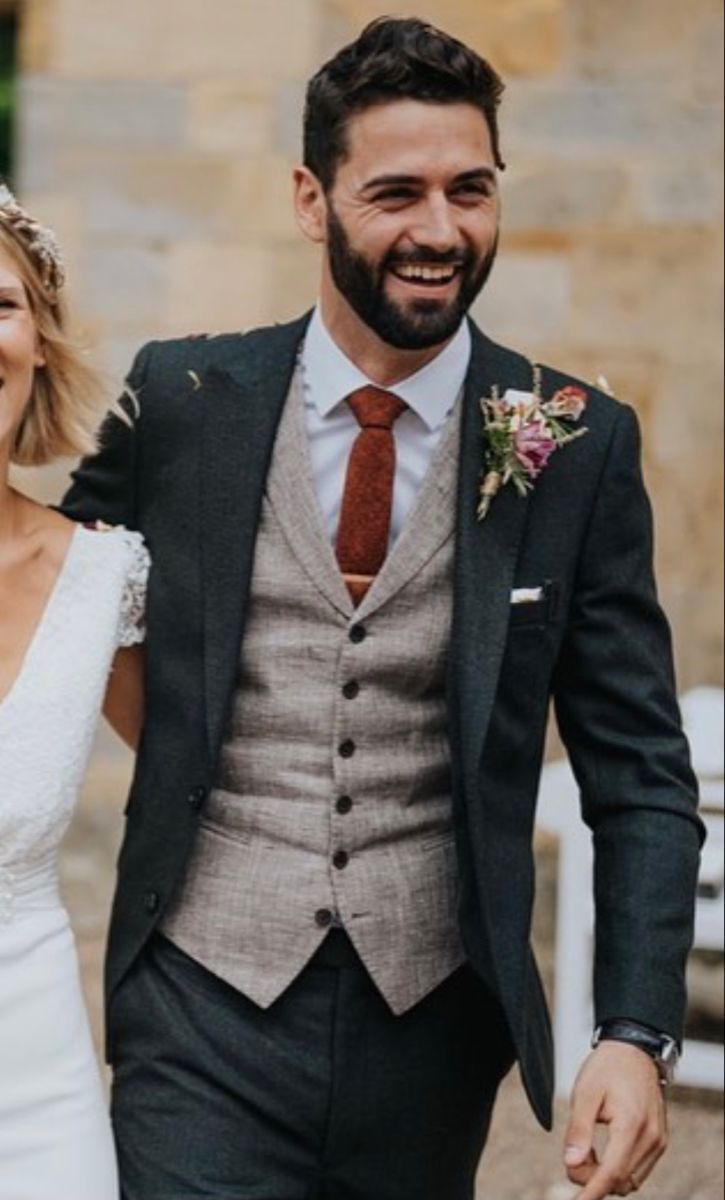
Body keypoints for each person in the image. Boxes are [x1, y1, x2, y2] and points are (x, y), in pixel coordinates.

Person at [63, 18, 703, 1200]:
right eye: (395, 192)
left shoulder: (572, 443)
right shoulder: (182, 399)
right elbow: (52, 580)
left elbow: (638, 770)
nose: (439, 232)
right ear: (311, 200)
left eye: (470, 190)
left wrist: (633, 1030)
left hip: (435, 1022)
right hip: (198, 998)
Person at [0, 184, 148, 1200]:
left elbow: (214, 779)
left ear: (40, 340)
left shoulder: (105, 578)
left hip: (34, 1079)